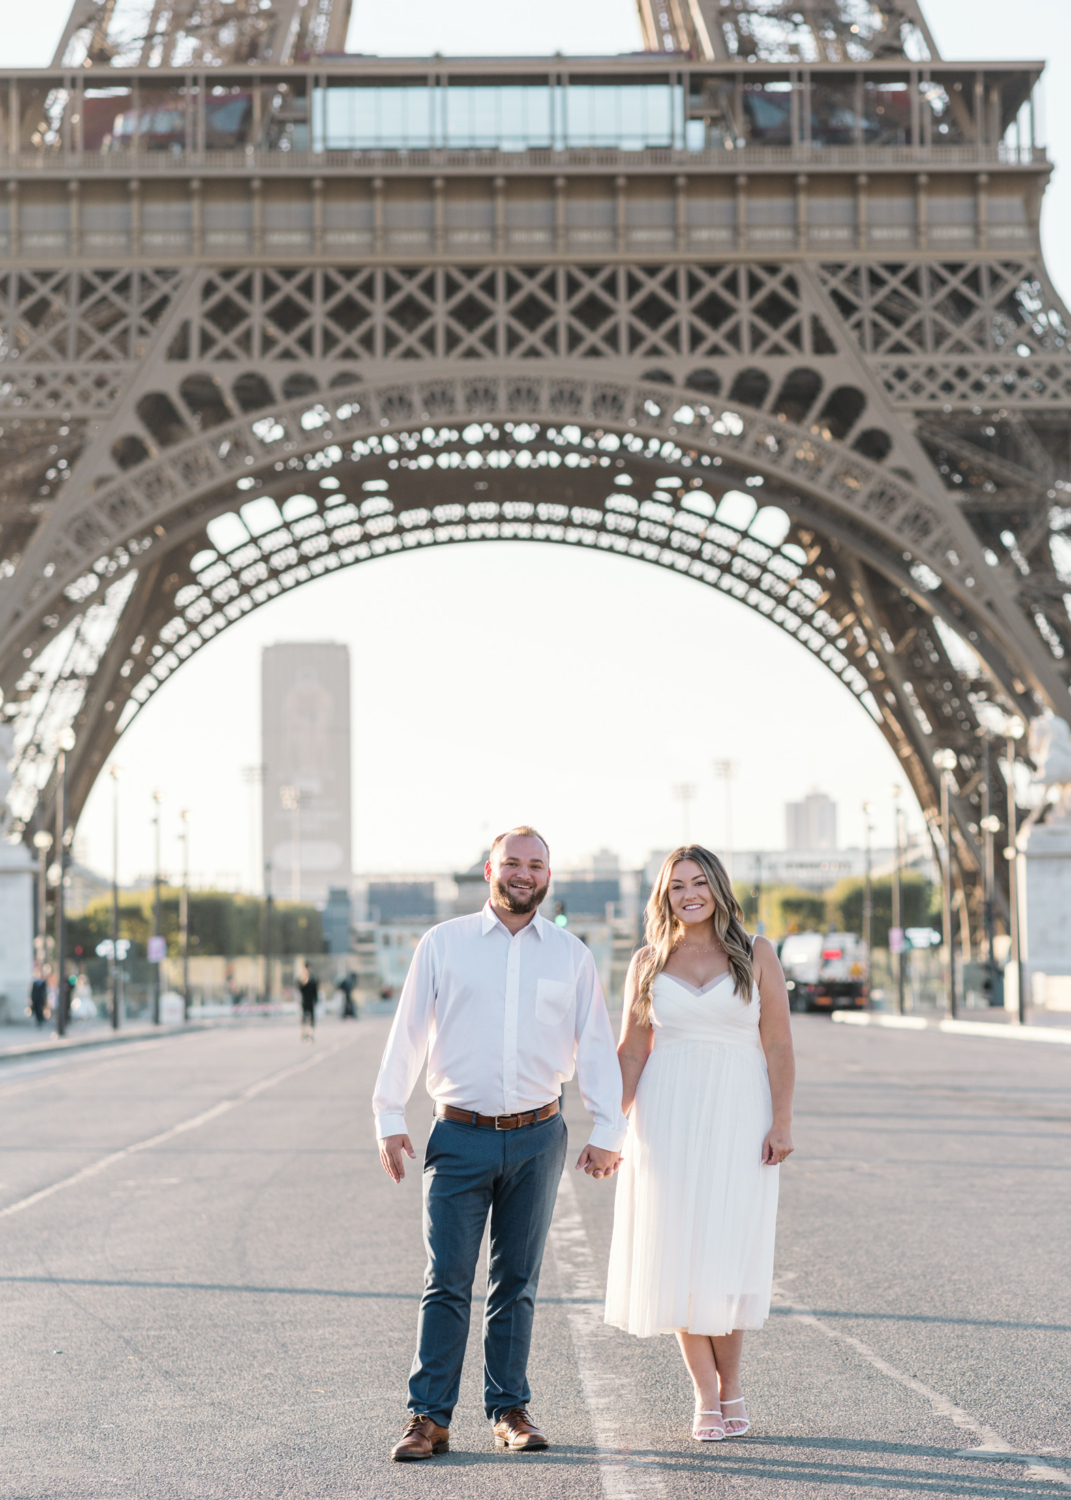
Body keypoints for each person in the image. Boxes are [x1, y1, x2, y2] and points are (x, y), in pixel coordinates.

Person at [373, 827, 626, 1463]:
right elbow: (408, 1031)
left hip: (539, 1135)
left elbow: (595, 1043)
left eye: (535, 865)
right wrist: (387, 1113)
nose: (523, 873)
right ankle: (428, 1418)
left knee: (518, 1281)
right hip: (457, 1134)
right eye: (512, 862)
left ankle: (509, 1409)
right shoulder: (445, 944)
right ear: (491, 869)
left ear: (548, 875)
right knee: (448, 1281)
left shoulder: (571, 955)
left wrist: (607, 1128)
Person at [605, 845, 795, 1443]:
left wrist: (782, 1121)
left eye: (698, 882)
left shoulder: (756, 952)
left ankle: (732, 1385)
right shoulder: (647, 961)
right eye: (676, 886)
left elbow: (780, 1045)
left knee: (727, 1253)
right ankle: (706, 1394)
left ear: (717, 886)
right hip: (667, 1118)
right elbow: (633, 1051)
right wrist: (609, 1131)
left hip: (741, 1113)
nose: (688, 894)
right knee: (680, 1255)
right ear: (664, 896)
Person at [298, 966, 319, 1041]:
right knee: (304, 1017)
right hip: (304, 1001)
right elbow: (300, 989)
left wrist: (316, 999)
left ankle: (311, 1032)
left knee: (312, 1017)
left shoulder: (313, 979)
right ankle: (304, 1032)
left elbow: (315, 990)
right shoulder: (301, 979)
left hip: (311, 1001)